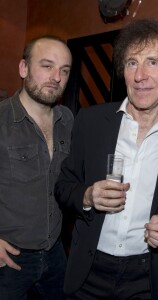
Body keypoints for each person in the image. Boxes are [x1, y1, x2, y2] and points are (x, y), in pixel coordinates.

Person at [55, 19, 158, 300]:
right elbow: (64, 185)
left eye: (153, 62)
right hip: (88, 271)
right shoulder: (90, 121)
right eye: (132, 63)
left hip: (148, 277)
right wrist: (87, 195)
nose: (140, 75)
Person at [0, 35, 73, 299]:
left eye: (64, 70)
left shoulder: (69, 121)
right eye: (47, 66)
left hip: (56, 253)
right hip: (9, 259)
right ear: (23, 69)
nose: (56, 76)